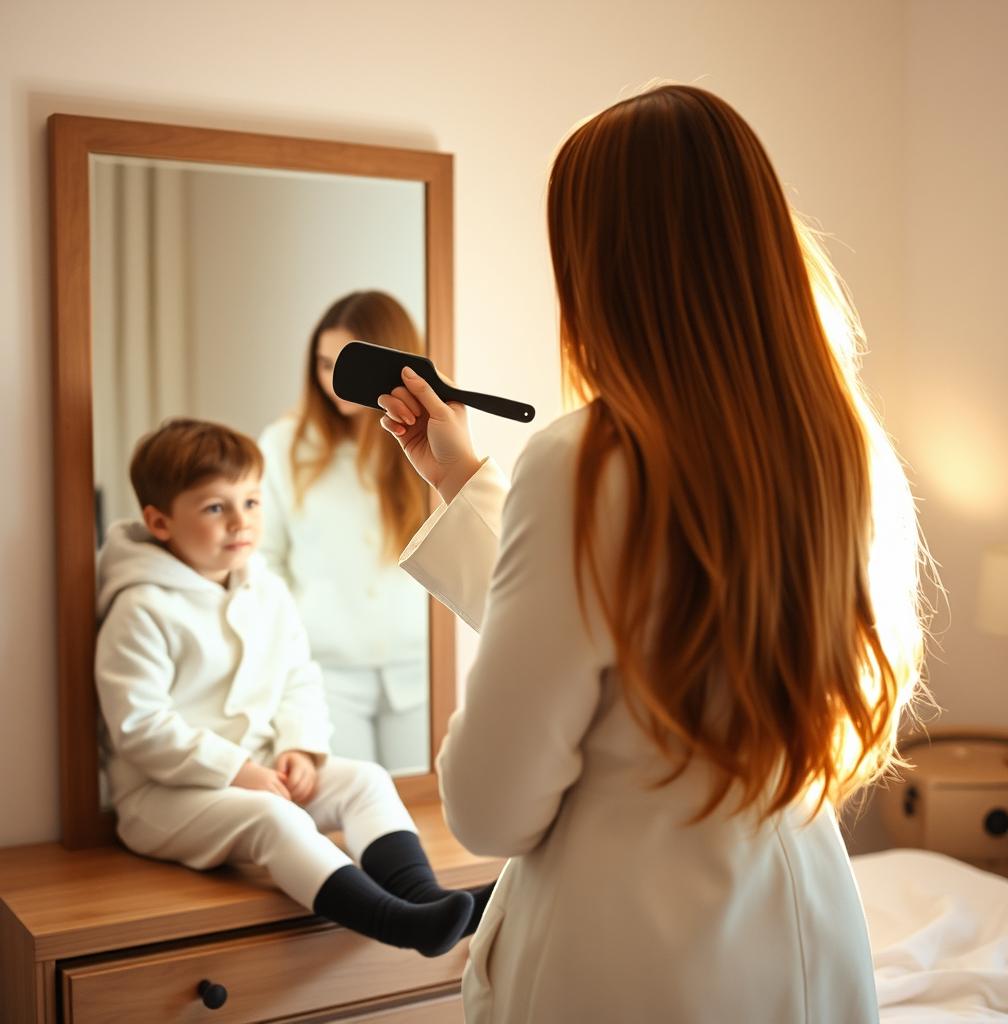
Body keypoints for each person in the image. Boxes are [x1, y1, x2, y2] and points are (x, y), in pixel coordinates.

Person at [376, 84, 927, 1021]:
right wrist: (469, 490)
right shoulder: (845, 449)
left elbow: (492, 807)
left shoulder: (588, 459)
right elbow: (653, 638)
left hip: (633, 957)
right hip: (799, 938)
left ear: (601, 266)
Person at [94, 418, 492, 957]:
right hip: (164, 797)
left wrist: (299, 747)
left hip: (260, 765)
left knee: (367, 780)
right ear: (159, 522)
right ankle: (399, 923)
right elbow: (140, 726)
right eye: (216, 508)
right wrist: (238, 772)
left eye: (253, 503)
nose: (241, 522)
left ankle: (424, 900)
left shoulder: (266, 589)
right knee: (273, 817)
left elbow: (297, 677)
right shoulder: (140, 607)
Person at [259, 291, 429, 773]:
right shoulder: (283, 446)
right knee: (351, 816)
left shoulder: (427, 447)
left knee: (428, 818)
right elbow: (262, 560)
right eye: (322, 363)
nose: (332, 381)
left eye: (346, 365)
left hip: (421, 671)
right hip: (326, 676)